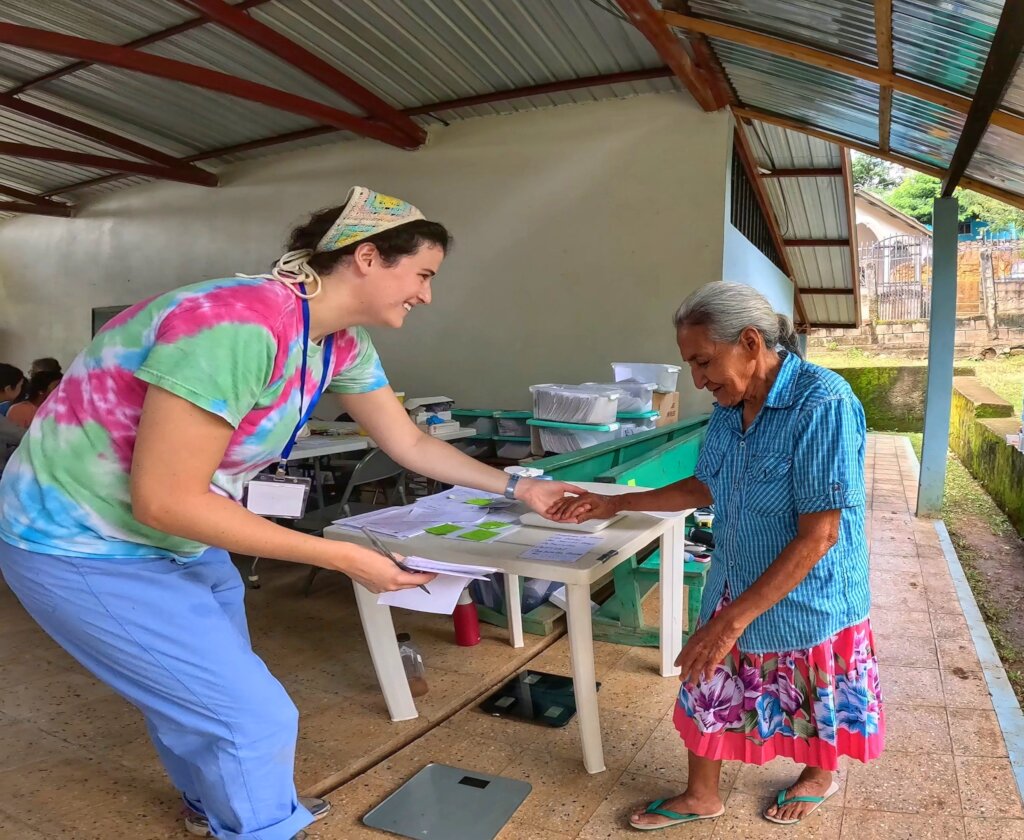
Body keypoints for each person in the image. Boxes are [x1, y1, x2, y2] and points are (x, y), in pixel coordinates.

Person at [0, 186, 581, 840]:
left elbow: (411, 443)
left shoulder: (340, 344)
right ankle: (260, 824)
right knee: (251, 718)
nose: (426, 295)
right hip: (80, 543)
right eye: (423, 274)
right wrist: (343, 556)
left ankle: (216, 804)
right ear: (367, 257)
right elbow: (165, 497)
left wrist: (518, 487)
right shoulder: (238, 324)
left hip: (179, 539)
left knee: (207, 696)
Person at [550, 282, 883, 829]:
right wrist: (615, 503)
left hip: (810, 590)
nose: (698, 380)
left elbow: (819, 535)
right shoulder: (731, 405)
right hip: (734, 574)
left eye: (704, 362)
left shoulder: (824, 404)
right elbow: (706, 483)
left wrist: (730, 621)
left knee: (815, 686)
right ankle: (701, 794)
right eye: (691, 365)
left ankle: (818, 776)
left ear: (750, 342)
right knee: (706, 677)